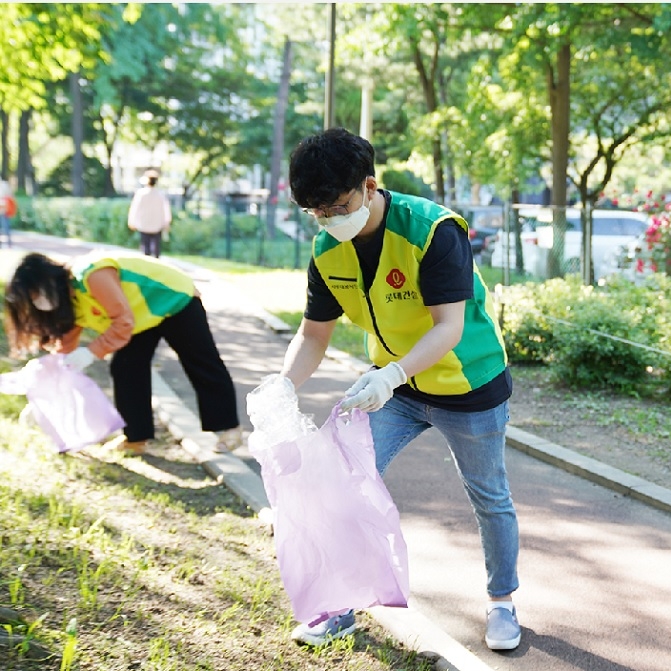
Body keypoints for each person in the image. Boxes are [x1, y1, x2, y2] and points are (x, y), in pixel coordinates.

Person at [259, 127, 521, 651]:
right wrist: (283, 385)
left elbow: (447, 327)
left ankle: (502, 603)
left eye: (336, 206)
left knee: (489, 496)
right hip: (395, 389)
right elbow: (313, 334)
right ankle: (339, 607)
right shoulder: (327, 251)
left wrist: (391, 374)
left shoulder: (432, 230)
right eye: (316, 213)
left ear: (369, 186)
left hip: (467, 384)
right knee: (341, 481)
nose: (329, 221)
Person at [4, 251, 242, 453]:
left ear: (47, 283)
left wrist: (92, 352)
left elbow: (122, 322)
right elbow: (68, 338)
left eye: (35, 295)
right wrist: (51, 380)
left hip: (173, 298)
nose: (37, 303)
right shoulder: (69, 299)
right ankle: (136, 438)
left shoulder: (91, 275)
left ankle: (229, 428)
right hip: (139, 317)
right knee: (126, 367)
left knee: (200, 360)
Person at [128, 169, 172, 258]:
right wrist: (166, 222)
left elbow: (135, 209)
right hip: (157, 225)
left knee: (145, 248)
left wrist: (132, 221)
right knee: (156, 249)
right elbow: (166, 210)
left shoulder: (141, 194)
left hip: (144, 224)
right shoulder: (160, 195)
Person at [0, 179, 13, 248]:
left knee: (6, 226)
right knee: (5, 226)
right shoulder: (4, 184)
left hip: (4, 209)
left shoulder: (4, 185)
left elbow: (9, 196)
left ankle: (9, 242)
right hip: (4, 209)